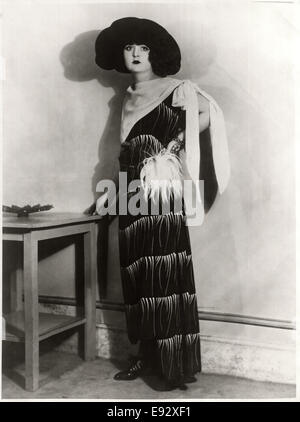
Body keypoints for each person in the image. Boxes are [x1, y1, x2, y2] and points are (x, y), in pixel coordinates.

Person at [94, 17, 230, 390]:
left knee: (164, 274)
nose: (136, 54)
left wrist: (174, 145)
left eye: (144, 48)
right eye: (129, 47)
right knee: (138, 274)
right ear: (121, 54)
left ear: (155, 54)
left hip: (161, 190)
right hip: (130, 190)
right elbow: (124, 149)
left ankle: (172, 366)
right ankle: (146, 358)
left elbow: (209, 115)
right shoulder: (124, 96)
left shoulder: (178, 89)